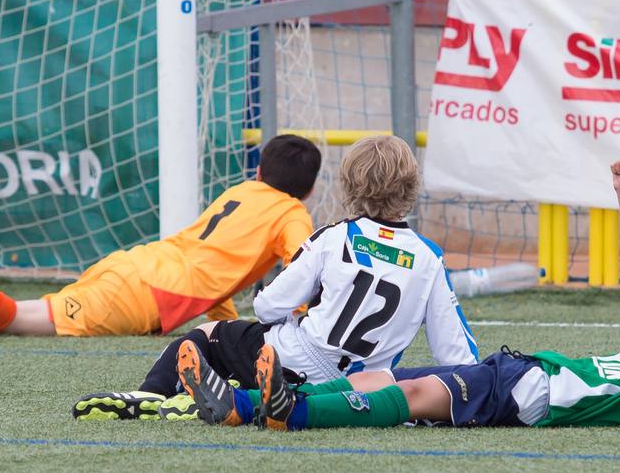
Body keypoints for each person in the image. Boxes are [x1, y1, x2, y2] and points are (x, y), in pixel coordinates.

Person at [221, 155, 620, 432]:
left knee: (413, 396)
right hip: (525, 377)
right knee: (387, 381)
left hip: (533, 393)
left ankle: (291, 414)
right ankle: (245, 406)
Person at [75, 134, 476, 423]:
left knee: (211, 334)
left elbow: (268, 305)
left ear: (349, 186)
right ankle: (237, 400)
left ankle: (153, 394)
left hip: (292, 355)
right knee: (307, 387)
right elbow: (457, 356)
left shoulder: (334, 237)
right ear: (411, 187)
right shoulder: (429, 259)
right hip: (359, 385)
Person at [0, 134, 323, 337]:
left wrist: (217, 326)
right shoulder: (291, 215)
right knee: (16, 318)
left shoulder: (243, 190)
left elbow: (216, 267)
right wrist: (305, 325)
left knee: (16, 320)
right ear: (311, 186)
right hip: (146, 295)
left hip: (135, 267)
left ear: (259, 169)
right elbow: (302, 270)